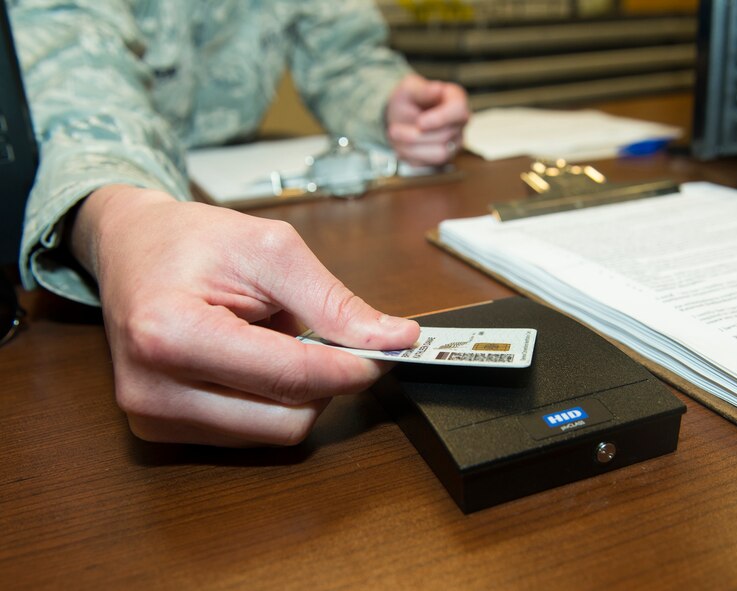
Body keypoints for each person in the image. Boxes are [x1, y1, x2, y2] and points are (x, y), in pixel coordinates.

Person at [10, 0, 471, 446]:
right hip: (126, 195)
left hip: (243, 197)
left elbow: (346, 56)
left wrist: (389, 104)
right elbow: (75, 80)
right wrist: (121, 221)